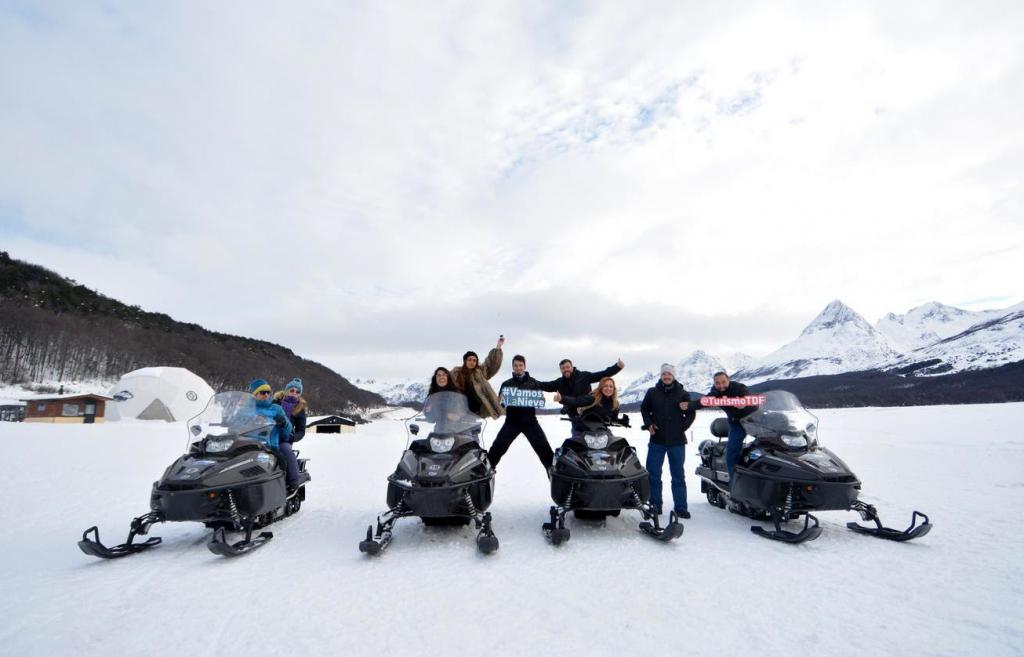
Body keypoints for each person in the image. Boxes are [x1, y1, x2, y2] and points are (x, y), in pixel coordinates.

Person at [640, 364, 696, 519]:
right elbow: (644, 409)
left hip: (677, 441)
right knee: (653, 474)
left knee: (678, 475)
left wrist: (682, 427)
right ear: (661, 375)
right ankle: (655, 505)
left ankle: (681, 508)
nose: (666, 376)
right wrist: (649, 424)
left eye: (669, 374)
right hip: (656, 440)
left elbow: (691, 413)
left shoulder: (683, 393)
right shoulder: (652, 392)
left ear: (673, 376)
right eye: (664, 374)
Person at [685, 371, 759, 483]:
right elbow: (703, 402)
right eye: (717, 383)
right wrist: (689, 406)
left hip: (753, 420)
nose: (721, 385)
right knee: (732, 452)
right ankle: (735, 484)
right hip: (736, 423)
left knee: (769, 445)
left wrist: (744, 405)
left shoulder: (739, 388)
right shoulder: (715, 393)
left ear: (728, 380)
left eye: (723, 382)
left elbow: (753, 402)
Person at [488, 354, 554, 470]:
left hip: (530, 422)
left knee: (544, 448)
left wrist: (540, 399)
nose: (518, 368)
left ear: (524, 366)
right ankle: (487, 470)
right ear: (513, 367)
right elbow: (501, 404)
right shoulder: (506, 384)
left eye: (520, 365)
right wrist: (500, 400)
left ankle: (553, 474)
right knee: (498, 446)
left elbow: (540, 400)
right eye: (516, 365)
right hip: (511, 422)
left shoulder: (533, 383)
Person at [249, 378, 300, 493]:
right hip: (248, 445)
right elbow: (236, 423)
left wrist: (283, 422)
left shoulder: (276, 408)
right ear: (254, 394)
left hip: (270, 446)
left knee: (284, 456)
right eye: (263, 392)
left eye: (268, 392)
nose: (266, 395)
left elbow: (289, 430)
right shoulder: (246, 408)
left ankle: (290, 484)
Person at [540, 357, 625, 417]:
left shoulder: (584, 376)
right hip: (573, 416)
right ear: (560, 370)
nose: (565, 369)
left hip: (588, 412)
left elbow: (602, 374)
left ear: (572, 367)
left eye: (567, 367)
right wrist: (530, 382)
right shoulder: (559, 382)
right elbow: (544, 385)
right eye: (563, 368)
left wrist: (617, 367)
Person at [451, 335, 505, 419]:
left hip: (477, 411)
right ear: (465, 361)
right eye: (469, 360)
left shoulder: (479, 373)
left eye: (474, 360)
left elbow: (490, 365)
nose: (472, 362)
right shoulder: (455, 373)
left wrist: (497, 348)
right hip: (458, 412)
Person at [554, 377, 626, 430]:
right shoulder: (593, 398)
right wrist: (562, 398)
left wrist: (622, 421)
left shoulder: (615, 404)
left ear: (614, 389)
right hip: (582, 429)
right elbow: (576, 400)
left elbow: (613, 420)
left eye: (611, 386)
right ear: (601, 388)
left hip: (601, 431)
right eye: (605, 386)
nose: (608, 388)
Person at [273, 377, 307, 442]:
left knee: (287, 452)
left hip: (285, 439)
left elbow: (301, 431)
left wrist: (292, 437)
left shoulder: (300, 409)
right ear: (287, 390)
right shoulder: (276, 402)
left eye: (297, 392)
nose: (294, 393)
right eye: (292, 390)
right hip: (269, 435)